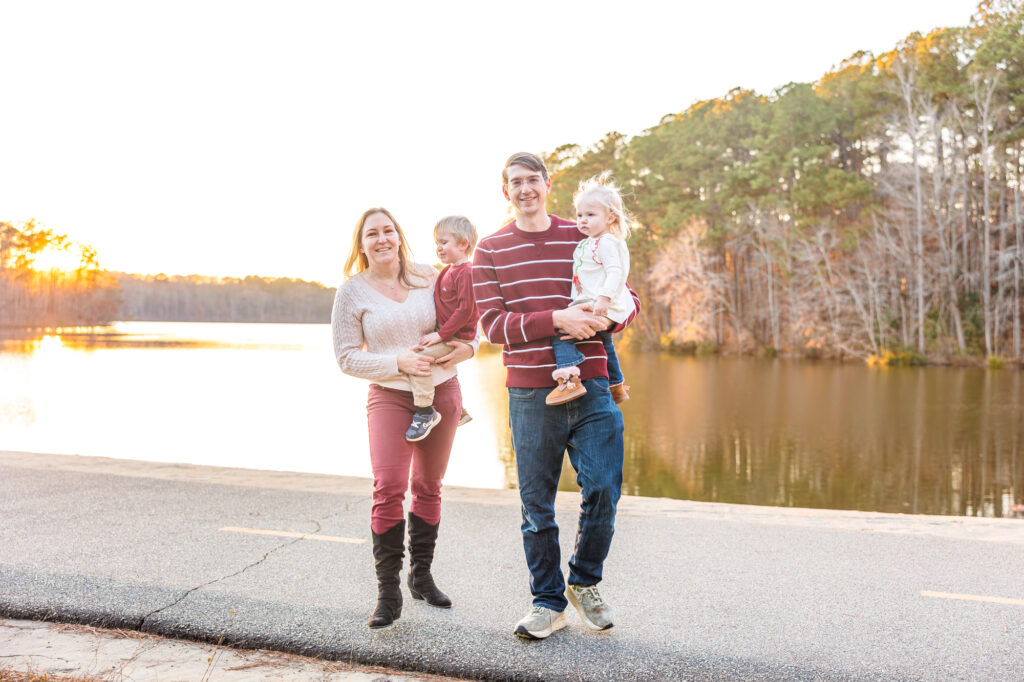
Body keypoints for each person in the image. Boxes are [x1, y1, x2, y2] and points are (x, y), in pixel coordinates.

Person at [472, 153, 640, 639]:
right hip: (529, 393)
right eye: (515, 182)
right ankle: (548, 602)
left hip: (590, 385)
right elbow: (492, 326)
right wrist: (557, 321)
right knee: (536, 504)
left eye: (533, 180)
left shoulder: (584, 232)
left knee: (604, 488)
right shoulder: (491, 249)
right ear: (506, 191)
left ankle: (584, 583)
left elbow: (627, 297)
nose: (525, 188)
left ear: (548, 184)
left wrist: (608, 319)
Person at [331, 207, 475, 629]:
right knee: (389, 486)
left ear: (399, 236)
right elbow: (346, 357)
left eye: (388, 230)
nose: (382, 239)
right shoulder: (352, 292)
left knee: (428, 486)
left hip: (443, 390)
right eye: (372, 233)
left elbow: (467, 318)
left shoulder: (430, 275)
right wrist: (398, 361)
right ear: (361, 244)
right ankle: (388, 592)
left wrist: (470, 349)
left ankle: (422, 576)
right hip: (391, 396)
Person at [546, 173, 635, 406]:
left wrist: (603, 299)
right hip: (596, 303)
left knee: (561, 333)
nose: (583, 220)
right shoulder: (589, 241)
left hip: (599, 303)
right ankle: (616, 385)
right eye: (579, 215)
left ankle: (569, 380)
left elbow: (615, 271)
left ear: (611, 217)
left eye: (591, 215)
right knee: (606, 343)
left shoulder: (605, 241)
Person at [407, 215, 480, 440]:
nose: (438, 248)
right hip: (447, 333)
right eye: (437, 243)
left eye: (444, 242)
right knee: (432, 364)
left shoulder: (467, 272)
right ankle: (459, 412)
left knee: (418, 359)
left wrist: (441, 335)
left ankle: (425, 411)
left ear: (463, 244)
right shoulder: (447, 271)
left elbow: (467, 310)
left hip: (456, 337)